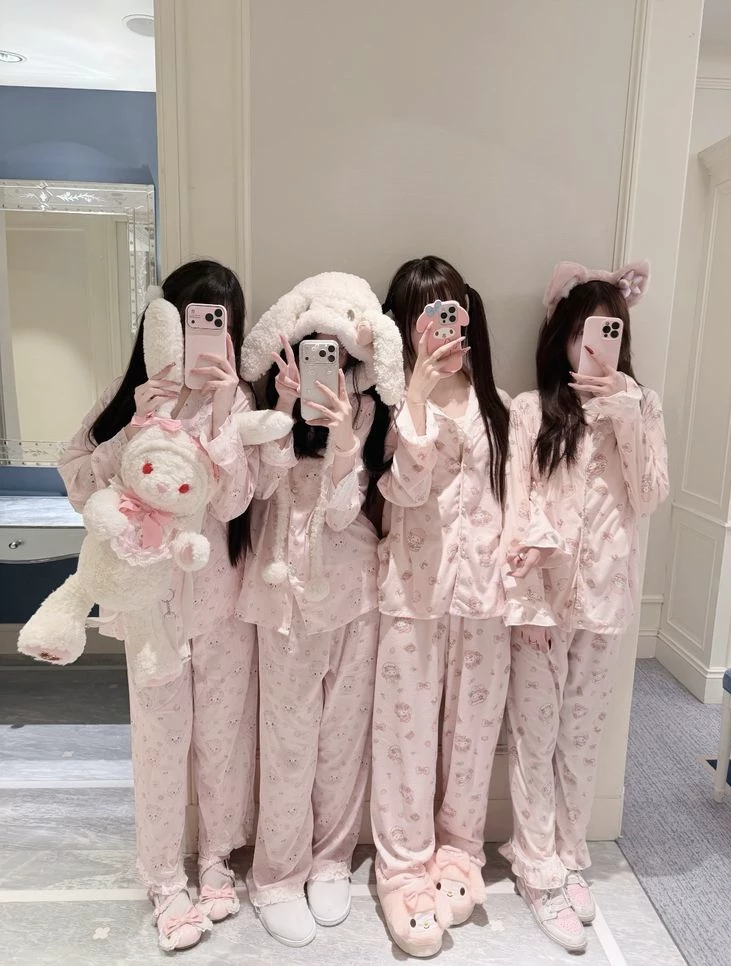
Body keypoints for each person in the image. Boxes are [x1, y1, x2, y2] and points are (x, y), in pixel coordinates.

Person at [58, 260, 260, 952]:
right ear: (165, 322)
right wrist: (141, 419)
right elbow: (79, 482)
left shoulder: (238, 400)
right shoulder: (133, 394)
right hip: (152, 606)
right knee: (160, 744)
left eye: (218, 319)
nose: (207, 331)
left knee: (223, 739)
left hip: (221, 601)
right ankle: (165, 880)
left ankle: (217, 860)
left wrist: (226, 410)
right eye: (194, 316)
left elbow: (233, 503)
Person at [500, 260, 668, 953]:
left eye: (607, 333)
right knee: (534, 737)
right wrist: (528, 603)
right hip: (541, 606)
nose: (591, 347)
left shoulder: (641, 407)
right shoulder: (528, 411)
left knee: (580, 738)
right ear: (560, 337)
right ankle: (534, 864)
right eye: (580, 333)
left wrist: (626, 412)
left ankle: (568, 857)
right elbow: (517, 510)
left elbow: (648, 495)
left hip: (603, 602)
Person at [236, 272, 405, 948]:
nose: (322, 364)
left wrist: (342, 441)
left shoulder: (364, 412)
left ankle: (331, 860)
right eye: (311, 349)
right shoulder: (267, 405)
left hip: (353, 590)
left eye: (332, 351)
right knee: (287, 741)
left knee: (341, 738)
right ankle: (277, 876)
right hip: (283, 595)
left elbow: (341, 513)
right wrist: (281, 408)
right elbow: (259, 491)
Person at [371, 255, 511, 958]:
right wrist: (417, 399)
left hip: (483, 600)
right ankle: (401, 871)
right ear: (405, 327)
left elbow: (519, 502)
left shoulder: (502, 407)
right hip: (412, 595)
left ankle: (459, 851)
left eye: (450, 310)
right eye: (425, 315)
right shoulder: (391, 406)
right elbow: (403, 492)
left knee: (470, 737)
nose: (442, 328)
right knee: (405, 741)